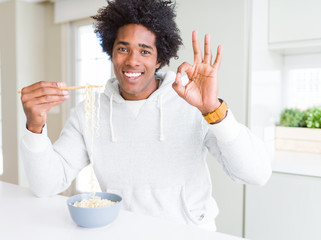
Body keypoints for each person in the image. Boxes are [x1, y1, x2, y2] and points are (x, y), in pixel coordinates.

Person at [20, 0, 271, 231]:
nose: (132, 61)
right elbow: (46, 185)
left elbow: (256, 174)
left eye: (145, 51)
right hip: (122, 231)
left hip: (190, 232)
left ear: (160, 58)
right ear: (111, 52)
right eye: (123, 48)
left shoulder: (192, 105)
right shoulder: (89, 112)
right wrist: (35, 126)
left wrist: (212, 109)